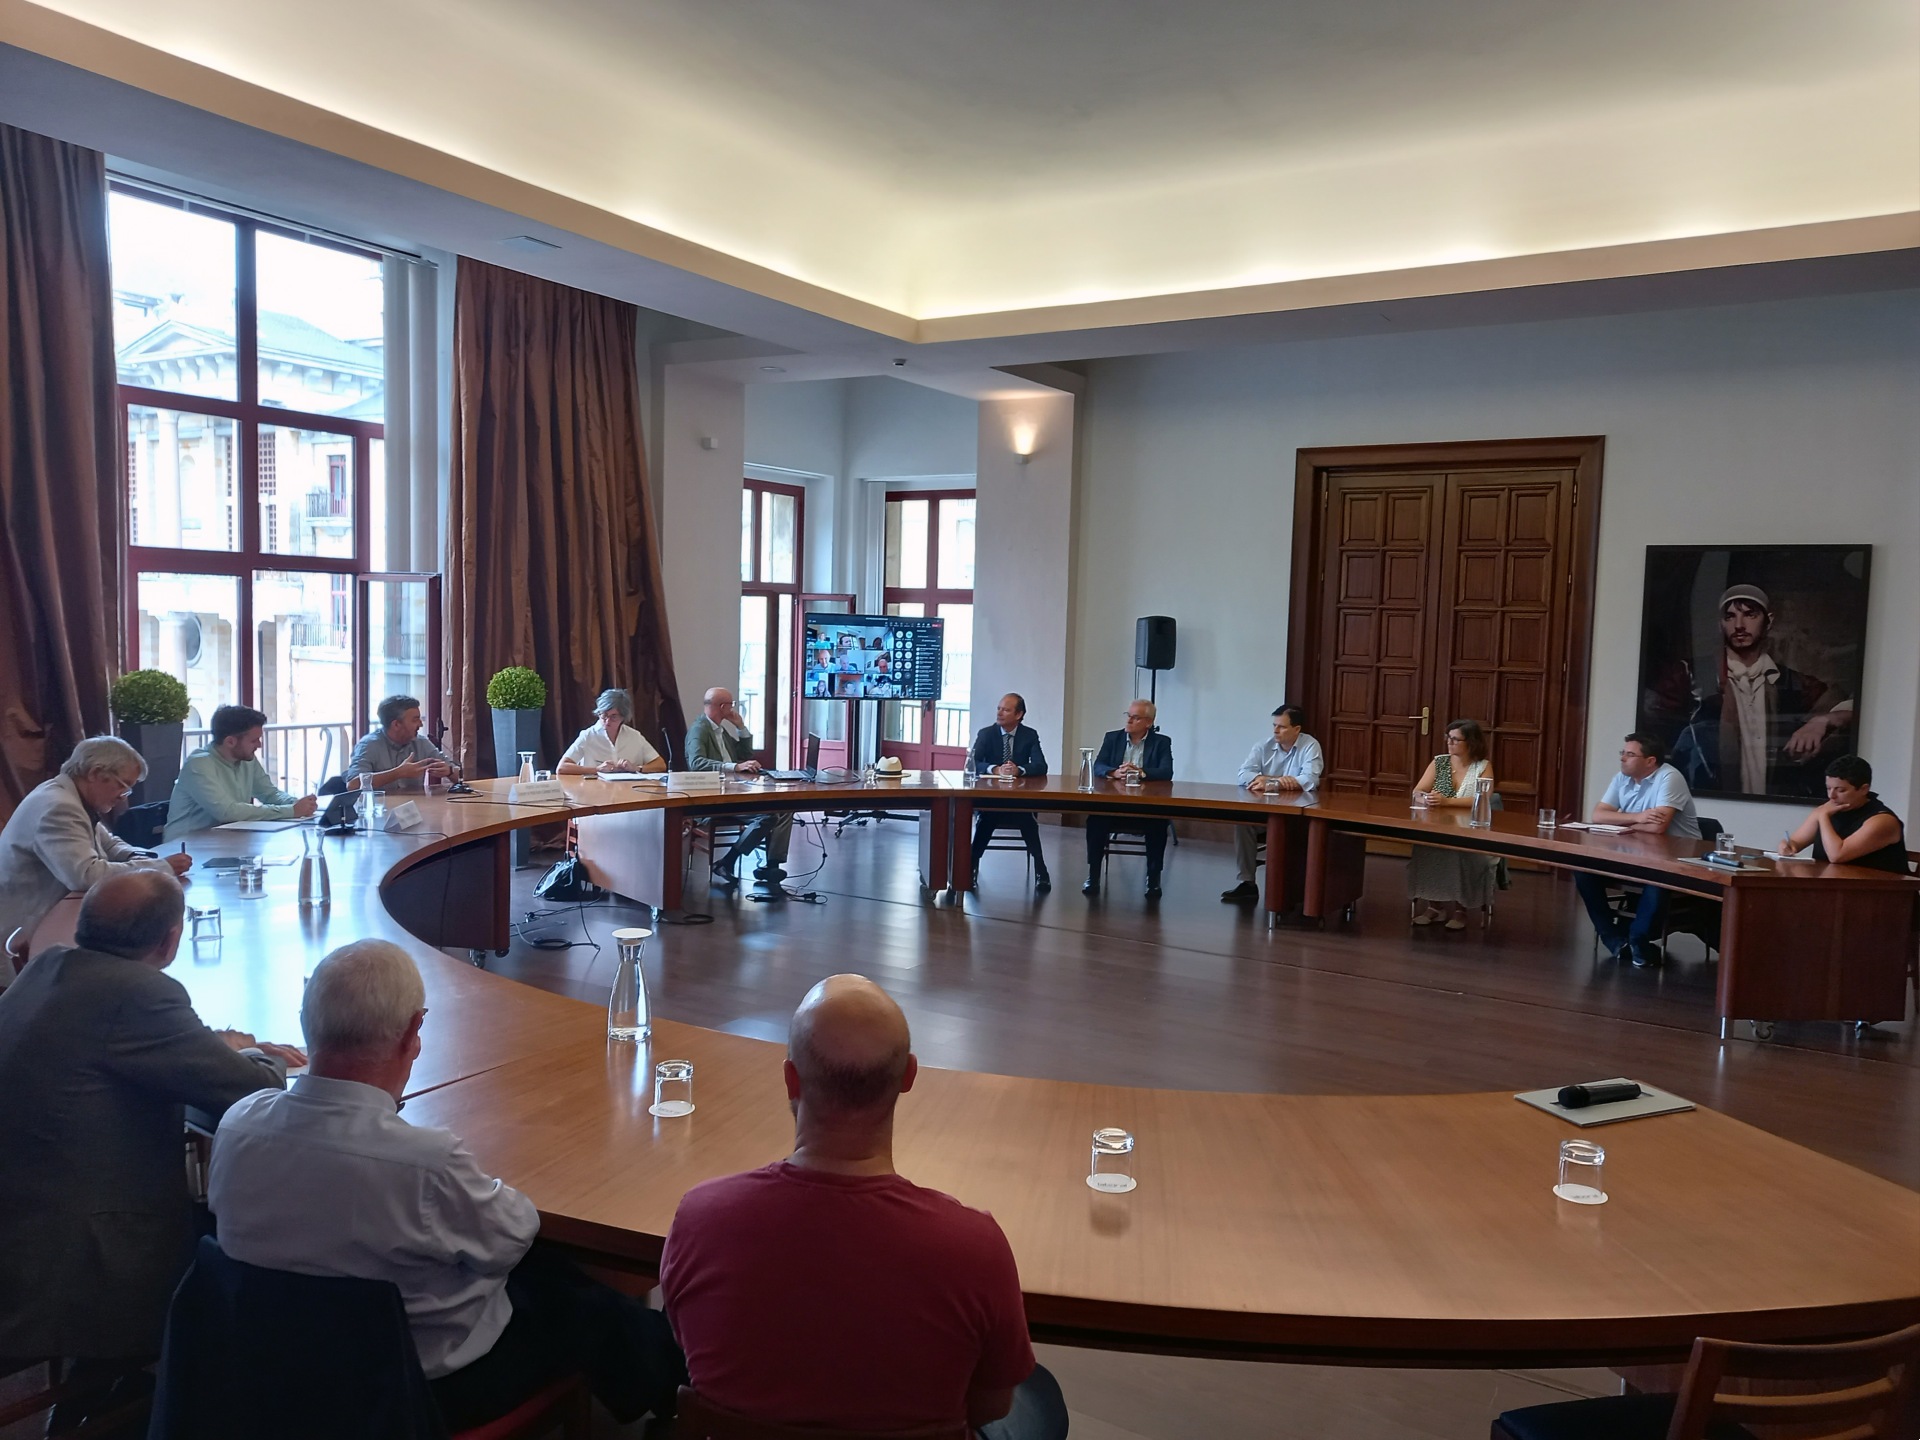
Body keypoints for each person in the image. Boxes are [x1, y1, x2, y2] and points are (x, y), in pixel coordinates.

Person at [209, 940, 684, 1431]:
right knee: (571, 1297)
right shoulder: (423, 1163)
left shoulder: (238, 1126)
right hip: (417, 1390)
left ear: (307, 1023)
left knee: (559, 1288)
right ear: (413, 1031)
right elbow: (514, 1237)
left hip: (271, 1372)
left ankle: (668, 1381)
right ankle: (683, 1394)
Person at [659, 976, 1067, 1440]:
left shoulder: (701, 1219)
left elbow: (687, 1345)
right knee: (1038, 1394)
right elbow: (989, 1405)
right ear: (909, 1076)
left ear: (791, 1078)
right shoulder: (975, 1247)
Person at [0, 871, 299, 1426]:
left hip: (19, 1225)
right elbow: (251, 1091)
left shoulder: (47, 967)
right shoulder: (140, 994)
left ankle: (103, 1396)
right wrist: (257, 1053)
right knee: (237, 1248)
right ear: (170, 940)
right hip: (57, 1268)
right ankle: (188, 1409)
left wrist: (203, 1045)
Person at [0, 736, 190, 983]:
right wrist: (160, 868)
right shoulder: (59, 807)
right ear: (96, 774)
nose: (124, 797)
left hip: (48, 920)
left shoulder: (68, 795)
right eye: (124, 786)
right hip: (25, 936)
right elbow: (86, 875)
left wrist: (138, 857)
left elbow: (109, 844)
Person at [1670, 584, 1853, 799]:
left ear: (1769, 621)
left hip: (1774, 802)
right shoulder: (1689, 674)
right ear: (1721, 624)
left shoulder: (1791, 681)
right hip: (1708, 799)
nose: (1739, 625)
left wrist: (1821, 721)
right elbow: (1658, 729)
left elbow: (1852, 706)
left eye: (1750, 615)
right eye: (1730, 617)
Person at [1573, 732, 1701, 967]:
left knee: (1657, 877)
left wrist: (1621, 821)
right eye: (1622, 753)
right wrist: (1639, 817)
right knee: (1582, 869)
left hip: (1676, 860)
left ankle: (1637, 942)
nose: (1622, 758)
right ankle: (1612, 938)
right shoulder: (1622, 778)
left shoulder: (1670, 777)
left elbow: (1657, 827)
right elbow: (1598, 815)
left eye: (1630, 754)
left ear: (1650, 761)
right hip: (1634, 854)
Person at [684, 687, 792, 888]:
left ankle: (772, 865)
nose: (733, 708)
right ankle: (728, 860)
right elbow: (696, 763)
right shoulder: (700, 729)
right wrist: (734, 767)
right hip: (716, 798)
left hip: (733, 790)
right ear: (722, 707)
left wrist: (741, 727)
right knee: (767, 816)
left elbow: (744, 754)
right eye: (731, 704)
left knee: (785, 808)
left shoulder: (719, 730)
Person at [164, 705, 318, 840]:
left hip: (226, 841)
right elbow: (227, 812)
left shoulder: (247, 758)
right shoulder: (198, 764)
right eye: (254, 740)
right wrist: (291, 811)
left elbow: (270, 794)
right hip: (185, 848)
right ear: (230, 741)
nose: (259, 745)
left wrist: (298, 804)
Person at [1220, 704, 1322, 903]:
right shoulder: (1263, 746)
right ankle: (1247, 883)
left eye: (1281, 727)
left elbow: (1309, 780)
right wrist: (1281, 781)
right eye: (1274, 726)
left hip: (1297, 815)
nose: (1275, 731)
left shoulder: (1310, 746)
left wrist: (1271, 782)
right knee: (1243, 823)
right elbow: (1243, 774)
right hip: (1264, 812)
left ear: (1297, 729)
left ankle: (1293, 889)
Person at [1406, 719, 1500, 930]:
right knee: (1427, 848)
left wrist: (1447, 802)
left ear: (1471, 742)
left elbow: (1483, 797)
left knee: (1459, 853)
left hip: (1470, 828)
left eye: (1456, 739)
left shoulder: (1483, 767)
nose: (1450, 743)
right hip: (1438, 825)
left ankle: (1461, 909)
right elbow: (1418, 791)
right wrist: (1427, 799)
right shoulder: (1439, 762)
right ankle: (1434, 906)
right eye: (1448, 738)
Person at [1084, 699, 1175, 899]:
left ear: (1148, 722)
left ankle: (1153, 879)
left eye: (1135, 717)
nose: (1129, 721)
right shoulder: (1112, 738)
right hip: (1114, 805)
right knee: (1095, 820)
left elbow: (1166, 771)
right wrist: (1114, 772)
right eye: (1128, 716)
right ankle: (1093, 875)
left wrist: (1140, 772)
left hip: (1146, 807)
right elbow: (1098, 765)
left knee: (1158, 824)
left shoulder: (1161, 742)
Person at [968, 694, 1052, 892]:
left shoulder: (1029, 735)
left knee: (1028, 821)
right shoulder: (986, 734)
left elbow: (1041, 765)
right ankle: (970, 868)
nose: (999, 713)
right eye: (999, 708)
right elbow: (973, 763)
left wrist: (1019, 770)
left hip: (1018, 799)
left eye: (1006, 710)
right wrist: (995, 769)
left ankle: (1041, 871)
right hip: (991, 799)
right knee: (986, 819)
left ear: (1019, 714)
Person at [1779, 755, 1911, 874]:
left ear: (1864, 789)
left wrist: (1823, 817)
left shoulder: (1883, 821)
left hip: (1878, 889)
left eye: (1841, 790)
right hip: (1830, 884)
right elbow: (1795, 842)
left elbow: (1837, 855)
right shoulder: (1826, 810)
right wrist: (1786, 846)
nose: (1831, 796)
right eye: (1828, 788)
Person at [347, 694, 460, 792]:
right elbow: (352, 785)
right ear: (396, 724)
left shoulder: (421, 743)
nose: (421, 724)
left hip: (415, 809)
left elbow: (460, 776)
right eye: (415, 720)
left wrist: (449, 771)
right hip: (380, 809)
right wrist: (398, 773)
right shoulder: (368, 745)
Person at [557, 688, 667, 775]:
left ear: (623, 717)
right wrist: (597, 769)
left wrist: (637, 768)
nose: (607, 721)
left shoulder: (634, 736)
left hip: (628, 791)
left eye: (614, 717)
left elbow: (660, 765)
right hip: (595, 792)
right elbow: (562, 768)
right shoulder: (588, 736)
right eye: (604, 715)